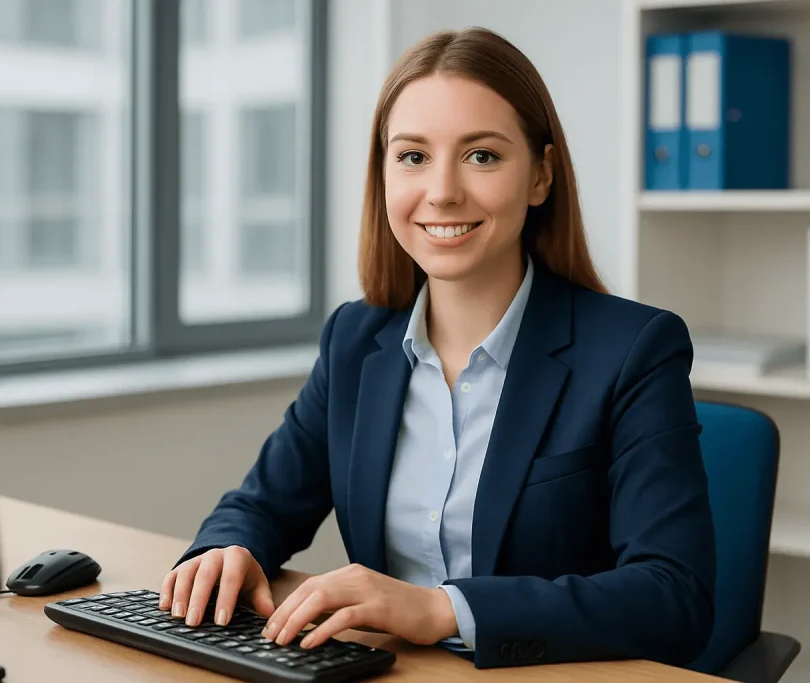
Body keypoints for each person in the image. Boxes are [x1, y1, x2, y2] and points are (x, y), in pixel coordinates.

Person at [159, 26, 716, 670]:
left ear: (541, 175)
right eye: (413, 156)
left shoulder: (633, 349)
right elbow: (263, 503)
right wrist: (225, 550)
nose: (443, 191)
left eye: (481, 155)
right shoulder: (355, 340)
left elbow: (674, 596)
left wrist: (442, 610)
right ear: (384, 174)